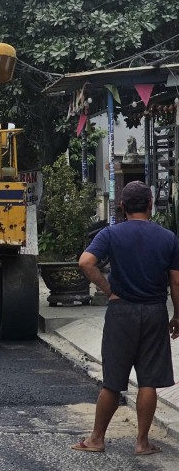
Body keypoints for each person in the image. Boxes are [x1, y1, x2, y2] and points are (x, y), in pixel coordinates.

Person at [73, 181, 179, 455]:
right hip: (155, 312)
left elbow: (86, 262)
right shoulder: (168, 238)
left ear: (122, 207)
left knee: (113, 381)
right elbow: (176, 282)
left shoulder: (111, 234)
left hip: (122, 312)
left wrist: (109, 290)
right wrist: (177, 314)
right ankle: (142, 443)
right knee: (148, 380)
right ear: (150, 205)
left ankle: (96, 439)